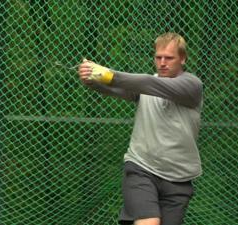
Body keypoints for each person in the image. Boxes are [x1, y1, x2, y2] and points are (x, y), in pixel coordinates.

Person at [77, 32, 203, 225]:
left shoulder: (192, 85)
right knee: (149, 222)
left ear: (183, 58)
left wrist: (107, 74)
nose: (162, 63)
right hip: (141, 167)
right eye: (158, 57)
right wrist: (91, 79)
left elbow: (147, 83)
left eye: (169, 58)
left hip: (179, 178)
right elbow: (114, 88)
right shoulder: (145, 88)